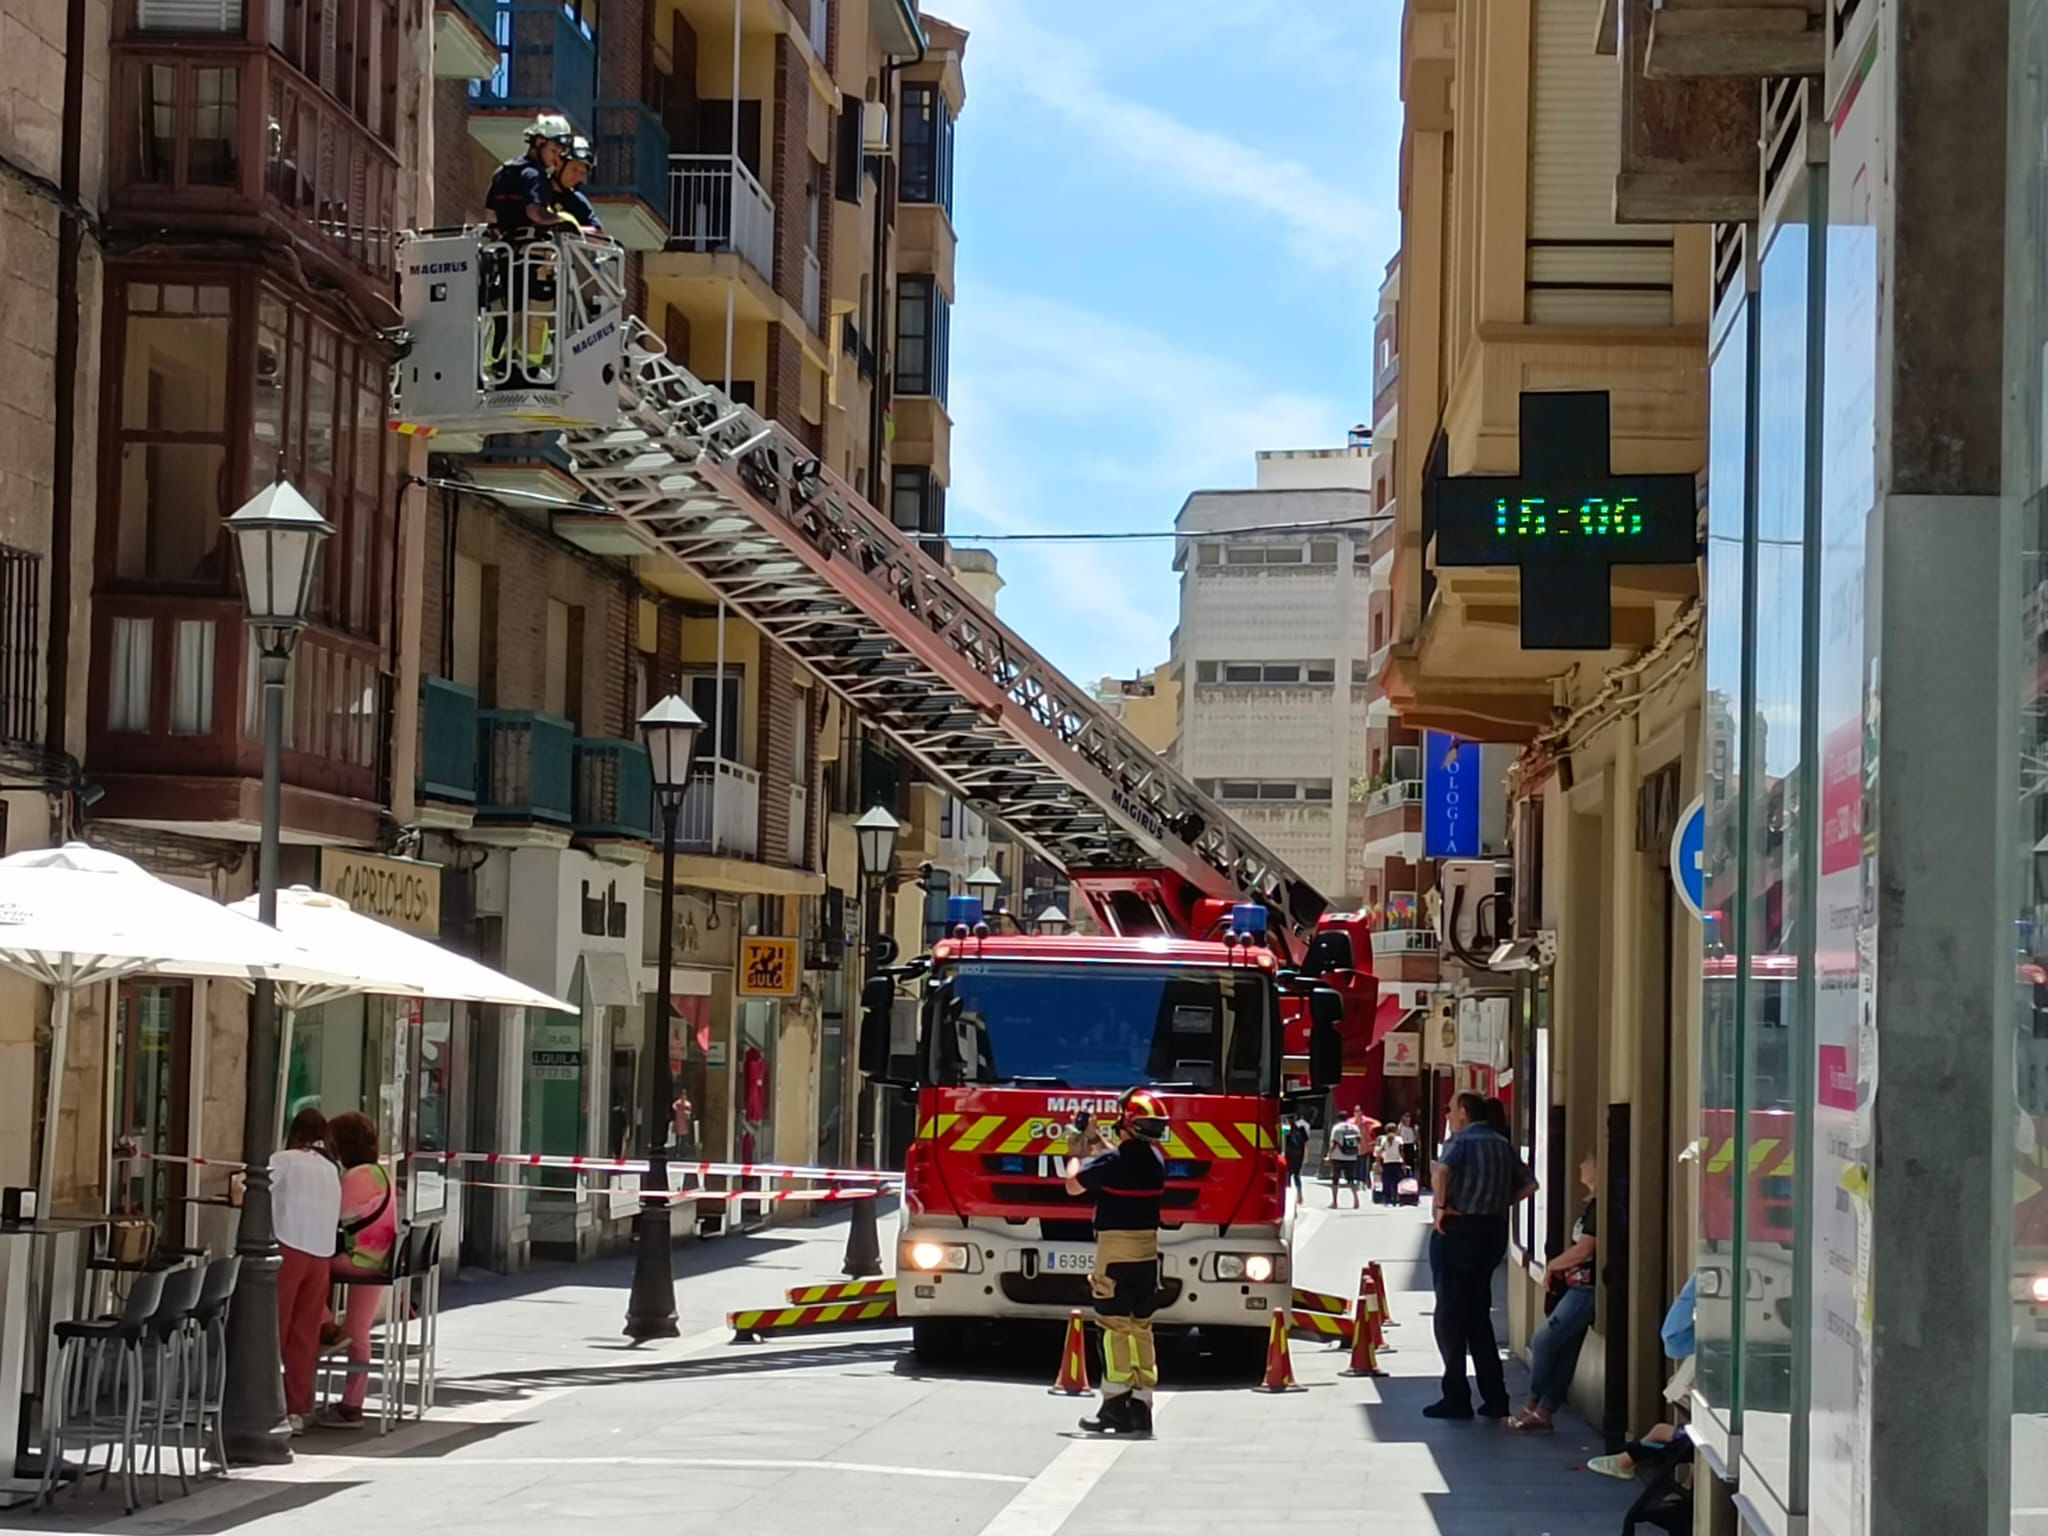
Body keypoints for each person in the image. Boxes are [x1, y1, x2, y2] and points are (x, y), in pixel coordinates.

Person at [1064, 1088, 1170, 1438]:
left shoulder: (1114, 1163)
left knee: (1113, 1331)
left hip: (1115, 1255)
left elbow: (1073, 1186)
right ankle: (1141, 1409)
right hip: (1147, 1256)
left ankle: (1114, 1408)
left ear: (1126, 1121)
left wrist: (1075, 1151)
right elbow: (1119, 1161)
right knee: (1142, 1329)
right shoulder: (1156, 1160)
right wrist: (1098, 1142)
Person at [1426, 1090, 1538, 1420]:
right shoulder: (1501, 1144)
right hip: (1491, 1232)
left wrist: (1444, 1208)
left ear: (1463, 1111)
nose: (1447, 1116)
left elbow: (1443, 1171)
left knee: (1449, 1314)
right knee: (1478, 1315)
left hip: (1458, 1231)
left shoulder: (1461, 1141)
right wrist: (1498, 1203)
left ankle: (1456, 1395)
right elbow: (1530, 1185)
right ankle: (1495, 1397)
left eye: (1449, 1110)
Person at [1508, 1152, 1600, 1433]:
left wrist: (1553, 1266)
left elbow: (1585, 1249)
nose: (1581, 1164)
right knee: (1566, 1352)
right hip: (1576, 1286)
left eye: (1588, 1160)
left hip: (1586, 1289)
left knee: (1544, 1341)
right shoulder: (1592, 1205)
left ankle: (1533, 1403)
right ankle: (1545, 1411)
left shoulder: (1599, 1206)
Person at [484, 113, 579, 382]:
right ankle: (529, 367)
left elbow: (490, 214)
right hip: (533, 254)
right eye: (553, 149)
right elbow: (535, 212)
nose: (556, 156)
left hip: (505, 254)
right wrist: (563, 219)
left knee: (506, 309)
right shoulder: (534, 175)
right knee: (537, 310)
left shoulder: (503, 171)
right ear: (538, 142)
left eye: (560, 151)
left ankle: (499, 363)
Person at [318, 1111, 398, 1428]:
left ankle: (326, 1325)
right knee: (360, 1331)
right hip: (379, 1261)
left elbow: (329, 1213)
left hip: (358, 1262)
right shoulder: (381, 1174)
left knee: (299, 1269)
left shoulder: (356, 1177)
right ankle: (353, 1403)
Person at [270, 1106, 340, 1436]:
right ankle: (298, 1407)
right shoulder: (330, 1169)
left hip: (289, 1245)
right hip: (320, 1254)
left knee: (275, 1328)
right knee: (304, 1334)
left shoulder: (284, 1159)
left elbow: (252, 1190)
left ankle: (269, 1403)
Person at [553, 137, 603, 234]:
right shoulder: (539, 191)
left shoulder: (579, 201)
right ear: (559, 164)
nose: (577, 177)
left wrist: (574, 230)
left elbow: (598, 231)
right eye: (574, 169)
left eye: (582, 173)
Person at [1327, 1109, 1363, 1208]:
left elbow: (1334, 1143)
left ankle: (1334, 1202)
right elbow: (1359, 1140)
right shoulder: (1355, 1128)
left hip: (1338, 1157)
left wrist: (1329, 1155)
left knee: (1335, 1179)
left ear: (1338, 1118)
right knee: (1351, 1179)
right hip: (1351, 1157)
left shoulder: (1337, 1128)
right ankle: (1356, 1200)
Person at [1376, 1123, 1407, 1206]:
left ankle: (1387, 1198)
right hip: (1397, 1162)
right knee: (1396, 1181)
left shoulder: (1383, 1140)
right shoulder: (1399, 1139)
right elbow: (1401, 1152)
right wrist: (1404, 1163)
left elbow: (1379, 1152)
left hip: (1386, 1162)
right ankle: (1395, 1197)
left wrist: (1378, 1162)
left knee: (1387, 1181)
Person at [1283, 1116, 1309, 1200]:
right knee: (1292, 1175)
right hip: (1293, 1155)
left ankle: (1295, 1195)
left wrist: (1305, 1155)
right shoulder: (1291, 1129)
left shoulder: (1297, 1129)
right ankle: (1296, 1196)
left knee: (1292, 1175)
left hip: (1293, 1155)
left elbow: (1305, 1144)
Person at [1398, 1110, 1421, 1179]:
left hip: (1411, 1145)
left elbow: (1417, 1138)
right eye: (1406, 1117)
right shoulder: (1400, 1126)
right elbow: (1398, 1135)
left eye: (1409, 1117)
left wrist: (1418, 1145)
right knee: (1403, 1161)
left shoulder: (1414, 1127)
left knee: (1411, 1161)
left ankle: (1411, 1176)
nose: (1408, 1119)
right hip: (1403, 1145)